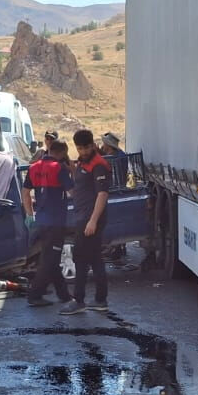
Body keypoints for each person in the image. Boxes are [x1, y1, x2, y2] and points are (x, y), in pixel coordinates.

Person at [61, 129, 112, 315]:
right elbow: (81, 182)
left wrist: (93, 221)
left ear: (92, 145)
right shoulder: (83, 162)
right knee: (95, 259)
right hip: (83, 216)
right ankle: (100, 299)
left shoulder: (99, 165)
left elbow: (102, 194)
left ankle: (79, 300)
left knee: (81, 259)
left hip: (90, 219)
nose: (83, 151)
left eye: (86, 148)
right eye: (80, 148)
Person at [23, 137, 74, 307]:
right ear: (61, 153)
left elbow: (25, 192)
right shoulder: (59, 168)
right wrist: (71, 170)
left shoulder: (33, 167)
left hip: (41, 220)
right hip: (56, 221)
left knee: (51, 257)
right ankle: (35, 294)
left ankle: (64, 295)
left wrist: (29, 214)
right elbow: (72, 192)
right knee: (49, 260)